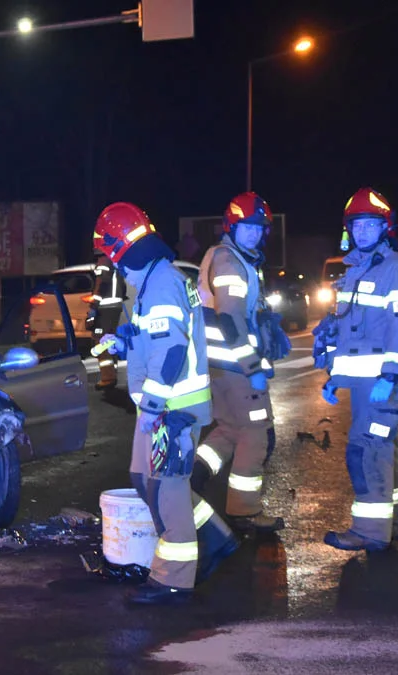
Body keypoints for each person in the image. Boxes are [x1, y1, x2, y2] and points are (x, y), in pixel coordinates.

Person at [93, 201, 238, 605]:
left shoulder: (160, 284)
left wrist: (154, 405)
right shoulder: (156, 280)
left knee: (167, 491)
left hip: (172, 411)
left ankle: (173, 580)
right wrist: (123, 341)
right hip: (161, 409)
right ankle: (214, 538)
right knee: (145, 480)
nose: (112, 265)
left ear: (121, 249)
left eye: (110, 255)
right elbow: (158, 339)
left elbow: (172, 350)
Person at [315, 187, 398, 556]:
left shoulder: (397, 269)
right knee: (386, 449)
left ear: (385, 228)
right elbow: (348, 333)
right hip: (365, 384)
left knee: (366, 451)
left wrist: (391, 375)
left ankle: (371, 532)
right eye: (358, 224)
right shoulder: (354, 271)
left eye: (371, 224)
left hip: (384, 383)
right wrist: (336, 377)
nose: (363, 231)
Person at [191, 191, 284, 534]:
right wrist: (253, 368)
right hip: (235, 366)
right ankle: (245, 512)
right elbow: (229, 318)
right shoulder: (230, 261)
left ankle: (192, 480)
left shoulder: (230, 256)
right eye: (247, 226)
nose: (254, 233)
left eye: (259, 227)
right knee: (257, 434)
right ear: (232, 227)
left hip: (220, 365)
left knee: (230, 429)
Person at [87, 253, 127, 389]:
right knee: (110, 339)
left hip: (105, 307)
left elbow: (102, 283)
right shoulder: (115, 260)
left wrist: (94, 308)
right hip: (115, 306)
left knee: (100, 339)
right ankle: (112, 373)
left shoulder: (104, 261)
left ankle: (107, 377)